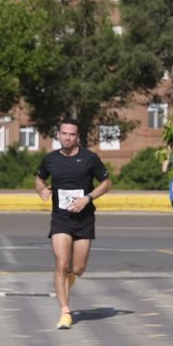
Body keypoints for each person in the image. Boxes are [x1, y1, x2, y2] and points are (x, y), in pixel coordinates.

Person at [34, 119, 112, 330]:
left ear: (77, 137)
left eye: (72, 134)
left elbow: (107, 182)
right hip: (60, 219)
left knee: (77, 268)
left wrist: (88, 198)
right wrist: (41, 189)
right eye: (64, 134)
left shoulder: (89, 158)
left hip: (84, 220)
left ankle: (69, 281)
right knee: (61, 263)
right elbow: (39, 178)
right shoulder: (50, 160)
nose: (68, 137)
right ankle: (65, 312)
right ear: (58, 135)